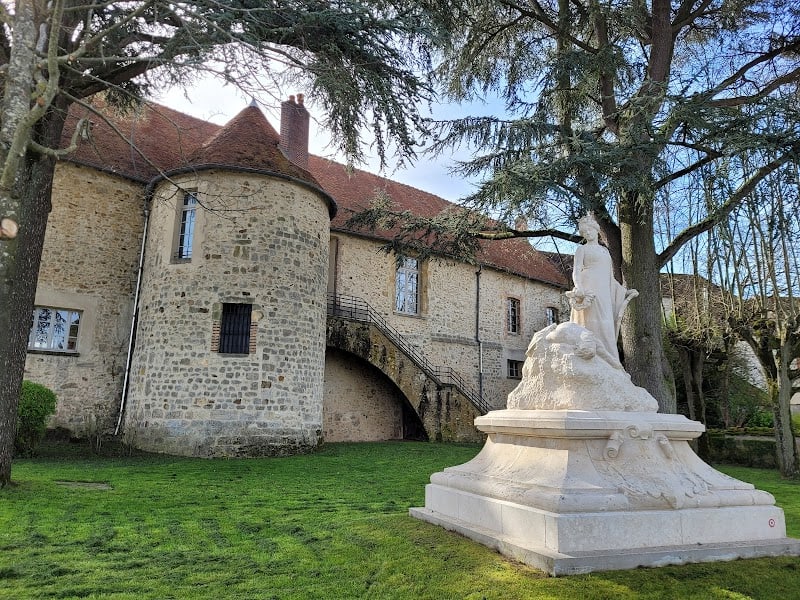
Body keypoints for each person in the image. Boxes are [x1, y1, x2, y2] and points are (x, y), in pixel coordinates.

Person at [567, 213, 637, 369]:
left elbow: (611, 278)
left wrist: (623, 292)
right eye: (584, 232)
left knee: (606, 323)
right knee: (590, 322)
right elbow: (576, 271)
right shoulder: (582, 249)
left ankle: (609, 361)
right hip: (589, 288)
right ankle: (589, 355)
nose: (588, 233)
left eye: (590, 230)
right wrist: (579, 286)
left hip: (604, 290)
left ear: (596, 230)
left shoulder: (605, 252)